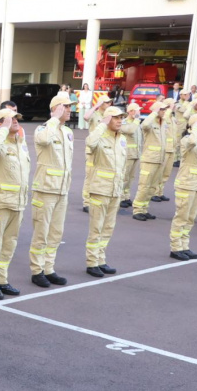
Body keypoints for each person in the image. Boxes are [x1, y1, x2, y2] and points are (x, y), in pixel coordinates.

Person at [0, 109, 29, 300]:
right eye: (11, 119)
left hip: (18, 203)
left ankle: (2, 279)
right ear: (1, 124)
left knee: (10, 243)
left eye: (17, 119)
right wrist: (3, 129)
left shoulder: (20, 144)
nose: (16, 122)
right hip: (0, 202)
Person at [29, 94, 73, 288]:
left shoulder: (67, 132)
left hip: (62, 189)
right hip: (45, 189)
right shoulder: (43, 129)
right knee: (42, 232)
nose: (70, 110)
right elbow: (45, 140)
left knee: (56, 232)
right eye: (67, 107)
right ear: (57, 108)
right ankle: (37, 270)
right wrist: (54, 117)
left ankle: (49, 268)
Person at [83, 106, 127, 278]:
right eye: (115, 118)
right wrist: (102, 124)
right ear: (108, 119)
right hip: (100, 189)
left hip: (115, 190)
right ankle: (92, 262)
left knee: (108, 227)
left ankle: (101, 259)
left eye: (121, 118)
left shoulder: (121, 138)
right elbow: (90, 142)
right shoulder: (99, 137)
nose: (119, 121)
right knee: (97, 227)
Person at [169, 114, 197, 260]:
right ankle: (175, 247)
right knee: (181, 217)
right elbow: (192, 141)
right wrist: (194, 127)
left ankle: (184, 246)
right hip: (186, 184)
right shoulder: (187, 139)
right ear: (194, 125)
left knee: (190, 218)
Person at [132, 100, 172, 221]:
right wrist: (154, 113)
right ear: (156, 110)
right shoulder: (150, 122)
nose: (164, 111)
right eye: (162, 109)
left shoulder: (163, 122)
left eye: (165, 109)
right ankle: (137, 210)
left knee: (152, 187)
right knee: (144, 186)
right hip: (149, 159)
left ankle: (144, 209)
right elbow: (144, 125)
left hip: (160, 159)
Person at [119, 102, 143, 208]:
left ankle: (126, 196)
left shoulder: (136, 123)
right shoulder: (124, 123)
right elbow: (131, 131)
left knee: (131, 177)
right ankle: (120, 197)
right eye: (137, 110)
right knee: (124, 177)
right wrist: (137, 120)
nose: (139, 112)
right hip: (127, 154)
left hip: (136, 154)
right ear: (130, 112)